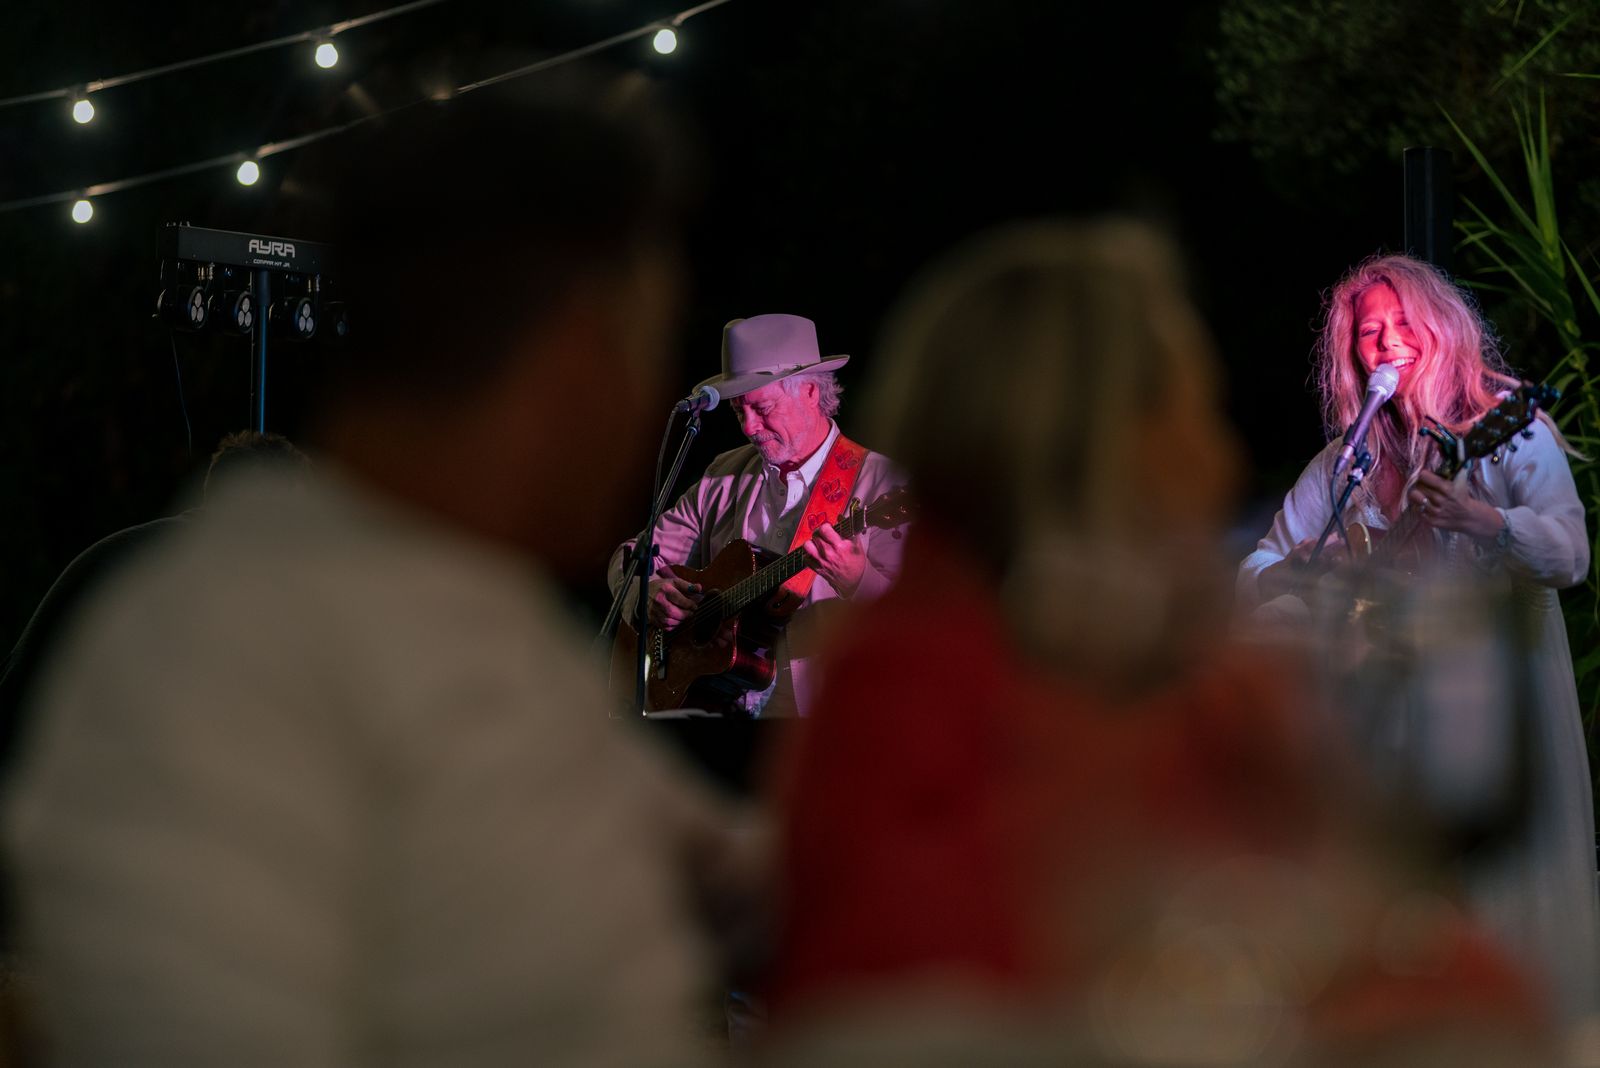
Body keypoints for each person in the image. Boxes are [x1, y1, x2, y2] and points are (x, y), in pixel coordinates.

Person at [4, 76, 741, 1068]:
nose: (653, 405)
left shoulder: (497, 625)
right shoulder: (215, 653)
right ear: (577, 356)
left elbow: (718, 870)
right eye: (651, 344)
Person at [763, 222, 1551, 1064]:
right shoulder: (919, 695)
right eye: (1198, 414)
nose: (1224, 461)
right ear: (1111, 440)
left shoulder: (1147, 679)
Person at [1236, 252, 1598, 1028]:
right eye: (1369, 331)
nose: (1388, 340)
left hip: (1501, 698)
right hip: (1390, 715)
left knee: (1502, 898)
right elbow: (1254, 572)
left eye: (1403, 321)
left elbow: (1571, 556)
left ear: (1440, 327)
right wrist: (1305, 569)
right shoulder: (1346, 464)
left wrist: (1484, 521)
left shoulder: (1510, 434)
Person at [607, 313, 907, 717]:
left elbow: (921, 621)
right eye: (738, 412)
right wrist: (646, 595)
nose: (749, 427)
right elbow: (632, 556)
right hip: (716, 711)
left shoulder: (881, 484)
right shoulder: (724, 475)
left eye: (762, 408)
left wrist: (858, 580)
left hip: (825, 717)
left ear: (810, 392)